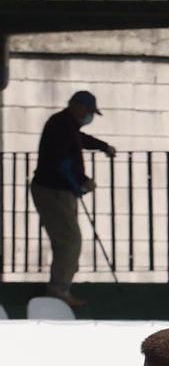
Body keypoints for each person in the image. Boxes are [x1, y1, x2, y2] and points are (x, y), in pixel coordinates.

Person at [30, 90, 114, 308]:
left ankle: (60, 288)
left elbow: (80, 140)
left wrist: (102, 146)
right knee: (69, 240)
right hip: (54, 191)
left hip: (59, 191)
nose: (89, 116)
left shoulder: (65, 125)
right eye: (88, 111)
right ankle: (58, 290)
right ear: (77, 107)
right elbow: (60, 162)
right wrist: (83, 180)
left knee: (67, 240)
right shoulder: (62, 126)